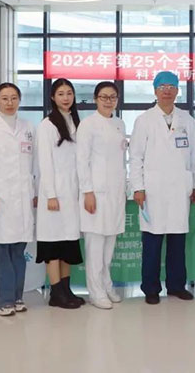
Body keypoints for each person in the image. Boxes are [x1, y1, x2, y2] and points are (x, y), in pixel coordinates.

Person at [129, 71, 195, 304]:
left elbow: (194, 156)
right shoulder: (144, 120)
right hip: (153, 190)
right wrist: (138, 187)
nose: (167, 91)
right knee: (152, 242)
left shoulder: (187, 120)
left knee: (177, 242)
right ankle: (150, 288)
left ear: (177, 91)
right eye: (162, 87)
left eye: (171, 87)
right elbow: (135, 157)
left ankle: (176, 286)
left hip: (179, 188)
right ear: (155, 91)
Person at [0, 83, 37, 316]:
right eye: (4, 98)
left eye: (14, 98)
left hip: (22, 198)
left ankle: (16, 296)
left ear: (19, 100)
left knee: (18, 251)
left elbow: (33, 164)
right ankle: (1, 300)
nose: (9, 102)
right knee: (1, 250)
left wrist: (34, 192)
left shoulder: (28, 127)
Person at [77, 82, 127, 310]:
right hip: (95, 193)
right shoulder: (88, 125)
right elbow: (82, 161)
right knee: (95, 247)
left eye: (112, 97)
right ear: (95, 99)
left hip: (115, 193)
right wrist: (87, 191)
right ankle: (95, 292)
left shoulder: (119, 124)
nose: (108, 101)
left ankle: (107, 286)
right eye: (104, 97)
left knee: (109, 246)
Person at [36, 78, 84, 309]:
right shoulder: (47, 125)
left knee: (68, 245)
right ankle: (56, 293)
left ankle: (66, 289)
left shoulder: (76, 121)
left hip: (72, 194)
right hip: (54, 195)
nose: (66, 98)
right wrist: (51, 194)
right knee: (53, 245)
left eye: (69, 93)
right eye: (61, 94)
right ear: (53, 98)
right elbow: (45, 163)